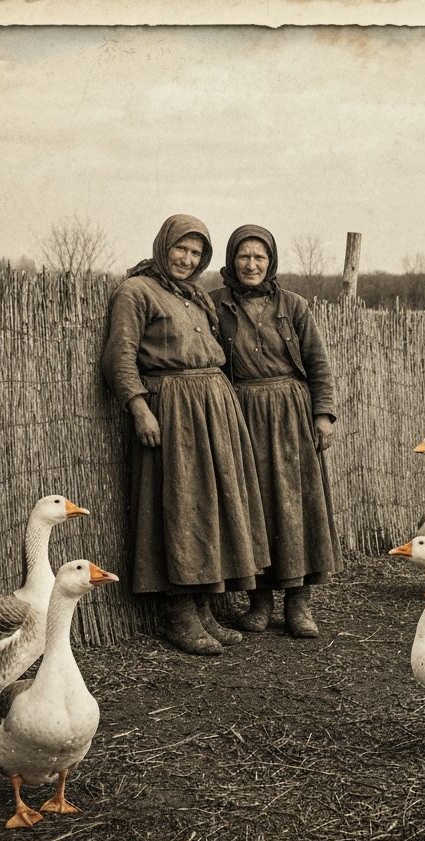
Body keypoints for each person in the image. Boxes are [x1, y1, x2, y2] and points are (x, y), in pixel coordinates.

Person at [100, 214, 270, 656]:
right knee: (179, 505)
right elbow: (119, 358)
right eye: (181, 249)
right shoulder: (135, 292)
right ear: (163, 246)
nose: (186, 259)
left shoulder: (195, 296)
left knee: (212, 504)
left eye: (196, 253)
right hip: (172, 408)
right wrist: (139, 408)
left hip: (213, 405)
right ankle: (178, 614)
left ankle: (204, 608)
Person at [211, 224, 343, 638]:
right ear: (232, 260)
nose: (251, 265)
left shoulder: (294, 306)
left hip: (291, 414)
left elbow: (318, 363)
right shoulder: (215, 305)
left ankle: (299, 604)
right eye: (244, 257)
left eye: (259, 257)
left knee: (297, 505)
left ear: (271, 262)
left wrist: (323, 414)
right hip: (242, 413)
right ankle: (259, 602)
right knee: (255, 506)